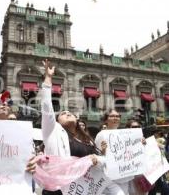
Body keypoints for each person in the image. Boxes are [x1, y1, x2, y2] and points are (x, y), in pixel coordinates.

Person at [41, 59, 103, 195]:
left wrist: (97, 158)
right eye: (63, 113)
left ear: (77, 119)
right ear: (56, 121)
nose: (67, 113)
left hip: (85, 190)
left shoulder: (87, 139)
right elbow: (46, 106)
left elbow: (101, 162)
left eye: (70, 113)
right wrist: (48, 78)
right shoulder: (53, 132)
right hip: (60, 190)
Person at [95, 109, 133, 195]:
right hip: (110, 178)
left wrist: (140, 143)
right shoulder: (101, 135)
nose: (115, 118)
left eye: (117, 116)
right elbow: (98, 156)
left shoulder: (125, 134)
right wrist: (103, 152)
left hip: (124, 175)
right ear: (106, 119)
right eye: (112, 116)